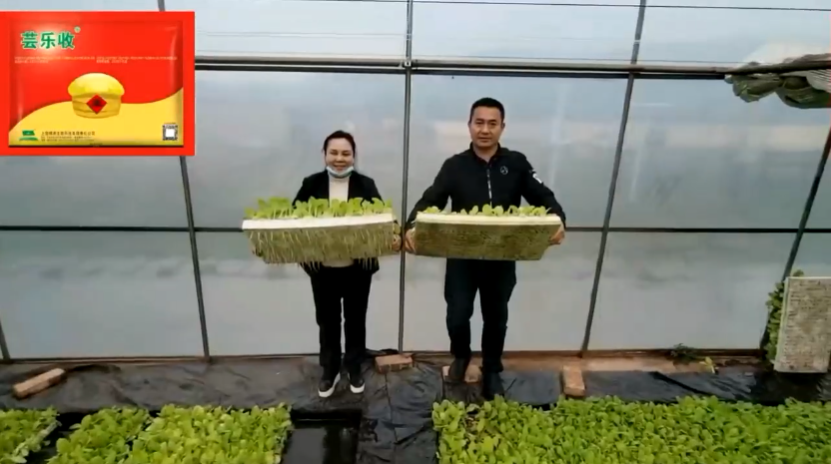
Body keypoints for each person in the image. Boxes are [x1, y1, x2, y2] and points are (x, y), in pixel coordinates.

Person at [403, 98, 566, 399]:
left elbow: (543, 196)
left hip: (501, 257)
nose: (485, 129)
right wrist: (412, 225)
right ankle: (461, 355)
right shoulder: (454, 166)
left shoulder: (516, 164)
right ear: (469, 126)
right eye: (479, 122)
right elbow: (431, 200)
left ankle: (491, 369)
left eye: (492, 124)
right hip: (462, 258)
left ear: (502, 127)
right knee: (457, 314)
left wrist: (558, 220)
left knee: (496, 317)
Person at [293, 130, 401, 398]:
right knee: (327, 321)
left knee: (355, 320)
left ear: (354, 156)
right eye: (333, 152)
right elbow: (293, 221)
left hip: (357, 270)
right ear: (324, 155)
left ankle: (354, 367)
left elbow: (384, 218)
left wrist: (395, 234)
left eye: (345, 153)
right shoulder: (311, 184)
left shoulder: (365, 185)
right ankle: (329, 370)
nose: (339, 159)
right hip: (322, 269)